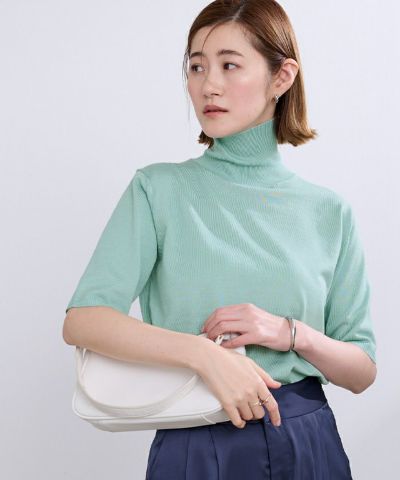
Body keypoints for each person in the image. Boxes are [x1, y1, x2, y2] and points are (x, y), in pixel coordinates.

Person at [62, 1, 377, 478]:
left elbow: (361, 371)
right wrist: (204, 354)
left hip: (308, 441)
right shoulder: (158, 189)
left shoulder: (329, 211)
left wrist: (289, 333)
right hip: (196, 441)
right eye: (196, 67)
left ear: (281, 77)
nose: (208, 85)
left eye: (229, 65)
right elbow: (83, 321)